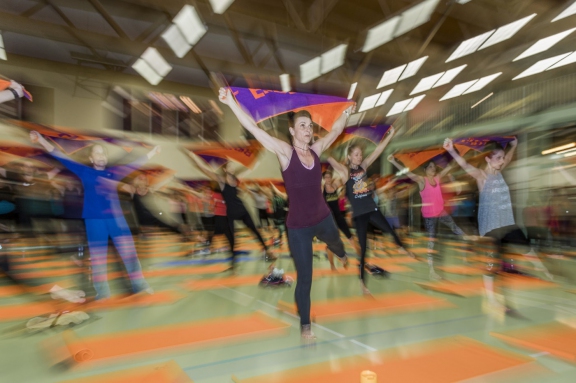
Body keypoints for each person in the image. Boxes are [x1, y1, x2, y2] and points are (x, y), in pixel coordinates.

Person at [218, 87, 352, 340]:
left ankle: (342, 254)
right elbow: (255, 129)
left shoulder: (317, 150)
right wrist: (231, 102)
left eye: (310, 125)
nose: (308, 129)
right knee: (305, 279)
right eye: (303, 125)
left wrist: (345, 112)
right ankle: (305, 327)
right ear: (292, 130)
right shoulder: (285, 152)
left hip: (323, 218)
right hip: (299, 227)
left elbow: (335, 130)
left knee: (336, 243)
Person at [30, 131, 158, 300]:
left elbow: (134, 164)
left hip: (116, 219)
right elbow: (60, 155)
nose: (100, 155)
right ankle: (102, 292)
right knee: (98, 258)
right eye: (96, 153)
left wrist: (153, 152)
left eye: (103, 153)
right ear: (91, 159)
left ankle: (140, 285)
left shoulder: (115, 172)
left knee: (129, 253)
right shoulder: (85, 172)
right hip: (94, 220)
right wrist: (41, 140)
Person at [444, 137, 552, 314]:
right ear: (488, 159)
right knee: (492, 265)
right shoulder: (482, 175)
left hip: (507, 223)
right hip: (491, 227)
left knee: (526, 246)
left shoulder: (499, 172)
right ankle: (492, 299)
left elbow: (509, 158)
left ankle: (543, 270)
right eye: (498, 158)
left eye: (502, 158)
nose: (502, 161)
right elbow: (464, 165)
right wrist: (451, 150)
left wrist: (513, 146)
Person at [328, 127, 412, 294]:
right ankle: (362, 283)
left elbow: (379, 150)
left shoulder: (364, 167)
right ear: (350, 156)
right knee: (363, 249)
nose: (360, 157)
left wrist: (389, 135)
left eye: (360, 154)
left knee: (388, 228)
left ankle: (401, 247)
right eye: (356, 154)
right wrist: (332, 140)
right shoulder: (345, 172)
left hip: (371, 208)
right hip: (359, 215)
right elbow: (330, 159)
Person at [185, 155, 276, 270]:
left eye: (233, 166)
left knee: (254, 230)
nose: (232, 168)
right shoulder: (221, 180)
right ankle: (233, 264)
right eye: (230, 166)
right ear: (225, 169)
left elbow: (250, 168)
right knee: (232, 239)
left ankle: (268, 251)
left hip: (242, 210)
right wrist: (193, 157)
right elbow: (203, 168)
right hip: (230, 213)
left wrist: (258, 157)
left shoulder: (236, 179)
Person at [388, 156, 467, 280]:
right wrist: (393, 161)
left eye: (434, 167)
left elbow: (448, 168)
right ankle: (432, 271)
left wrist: (455, 157)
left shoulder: (438, 178)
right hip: (430, 216)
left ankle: (466, 246)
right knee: (432, 242)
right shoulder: (421, 180)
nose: (433, 169)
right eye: (430, 167)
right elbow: (408, 173)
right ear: (425, 169)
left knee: (455, 228)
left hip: (441, 212)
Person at [322, 170, 360, 261]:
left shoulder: (334, 186)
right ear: (323, 179)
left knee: (349, 236)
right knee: (334, 240)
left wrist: (341, 166)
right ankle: (337, 258)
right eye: (326, 177)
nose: (328, 179)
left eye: (329, 177)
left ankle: (360, 254)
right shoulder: (322, 189)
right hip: (330, 219)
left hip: (339, 216)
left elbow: (343, 176)